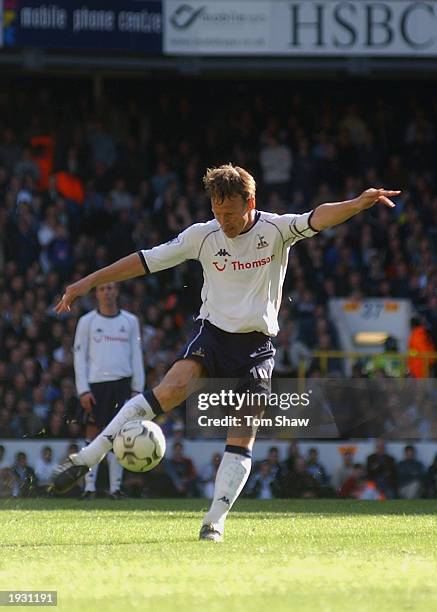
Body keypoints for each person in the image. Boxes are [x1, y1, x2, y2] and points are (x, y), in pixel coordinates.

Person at [51, 163, 399, 541]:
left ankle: (214, 521)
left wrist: (357, 204)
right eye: (217, 213)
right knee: (171, 388)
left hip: (256, 346)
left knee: (243, 432)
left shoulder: (276, 230)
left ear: (250, 202)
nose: (223, 221)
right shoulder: (202, 236)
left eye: (230, 213)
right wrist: (88, 281)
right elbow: (144, 260)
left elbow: (318, 217)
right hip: (213, 334)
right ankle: (87, 458)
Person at [73, 282, 145, 499]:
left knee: (120, 437)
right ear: (96, 293)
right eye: (102, 289)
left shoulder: (130, 321)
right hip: (95, 385)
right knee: (92, 434)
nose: (107, 292)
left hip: (122, 384)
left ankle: (115, 488)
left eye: (111, 288)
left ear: (117, 291)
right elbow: (79, 356)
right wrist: (83, 390)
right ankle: (89, 488)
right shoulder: (87, 321)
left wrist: (137, 389)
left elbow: (136, 355)